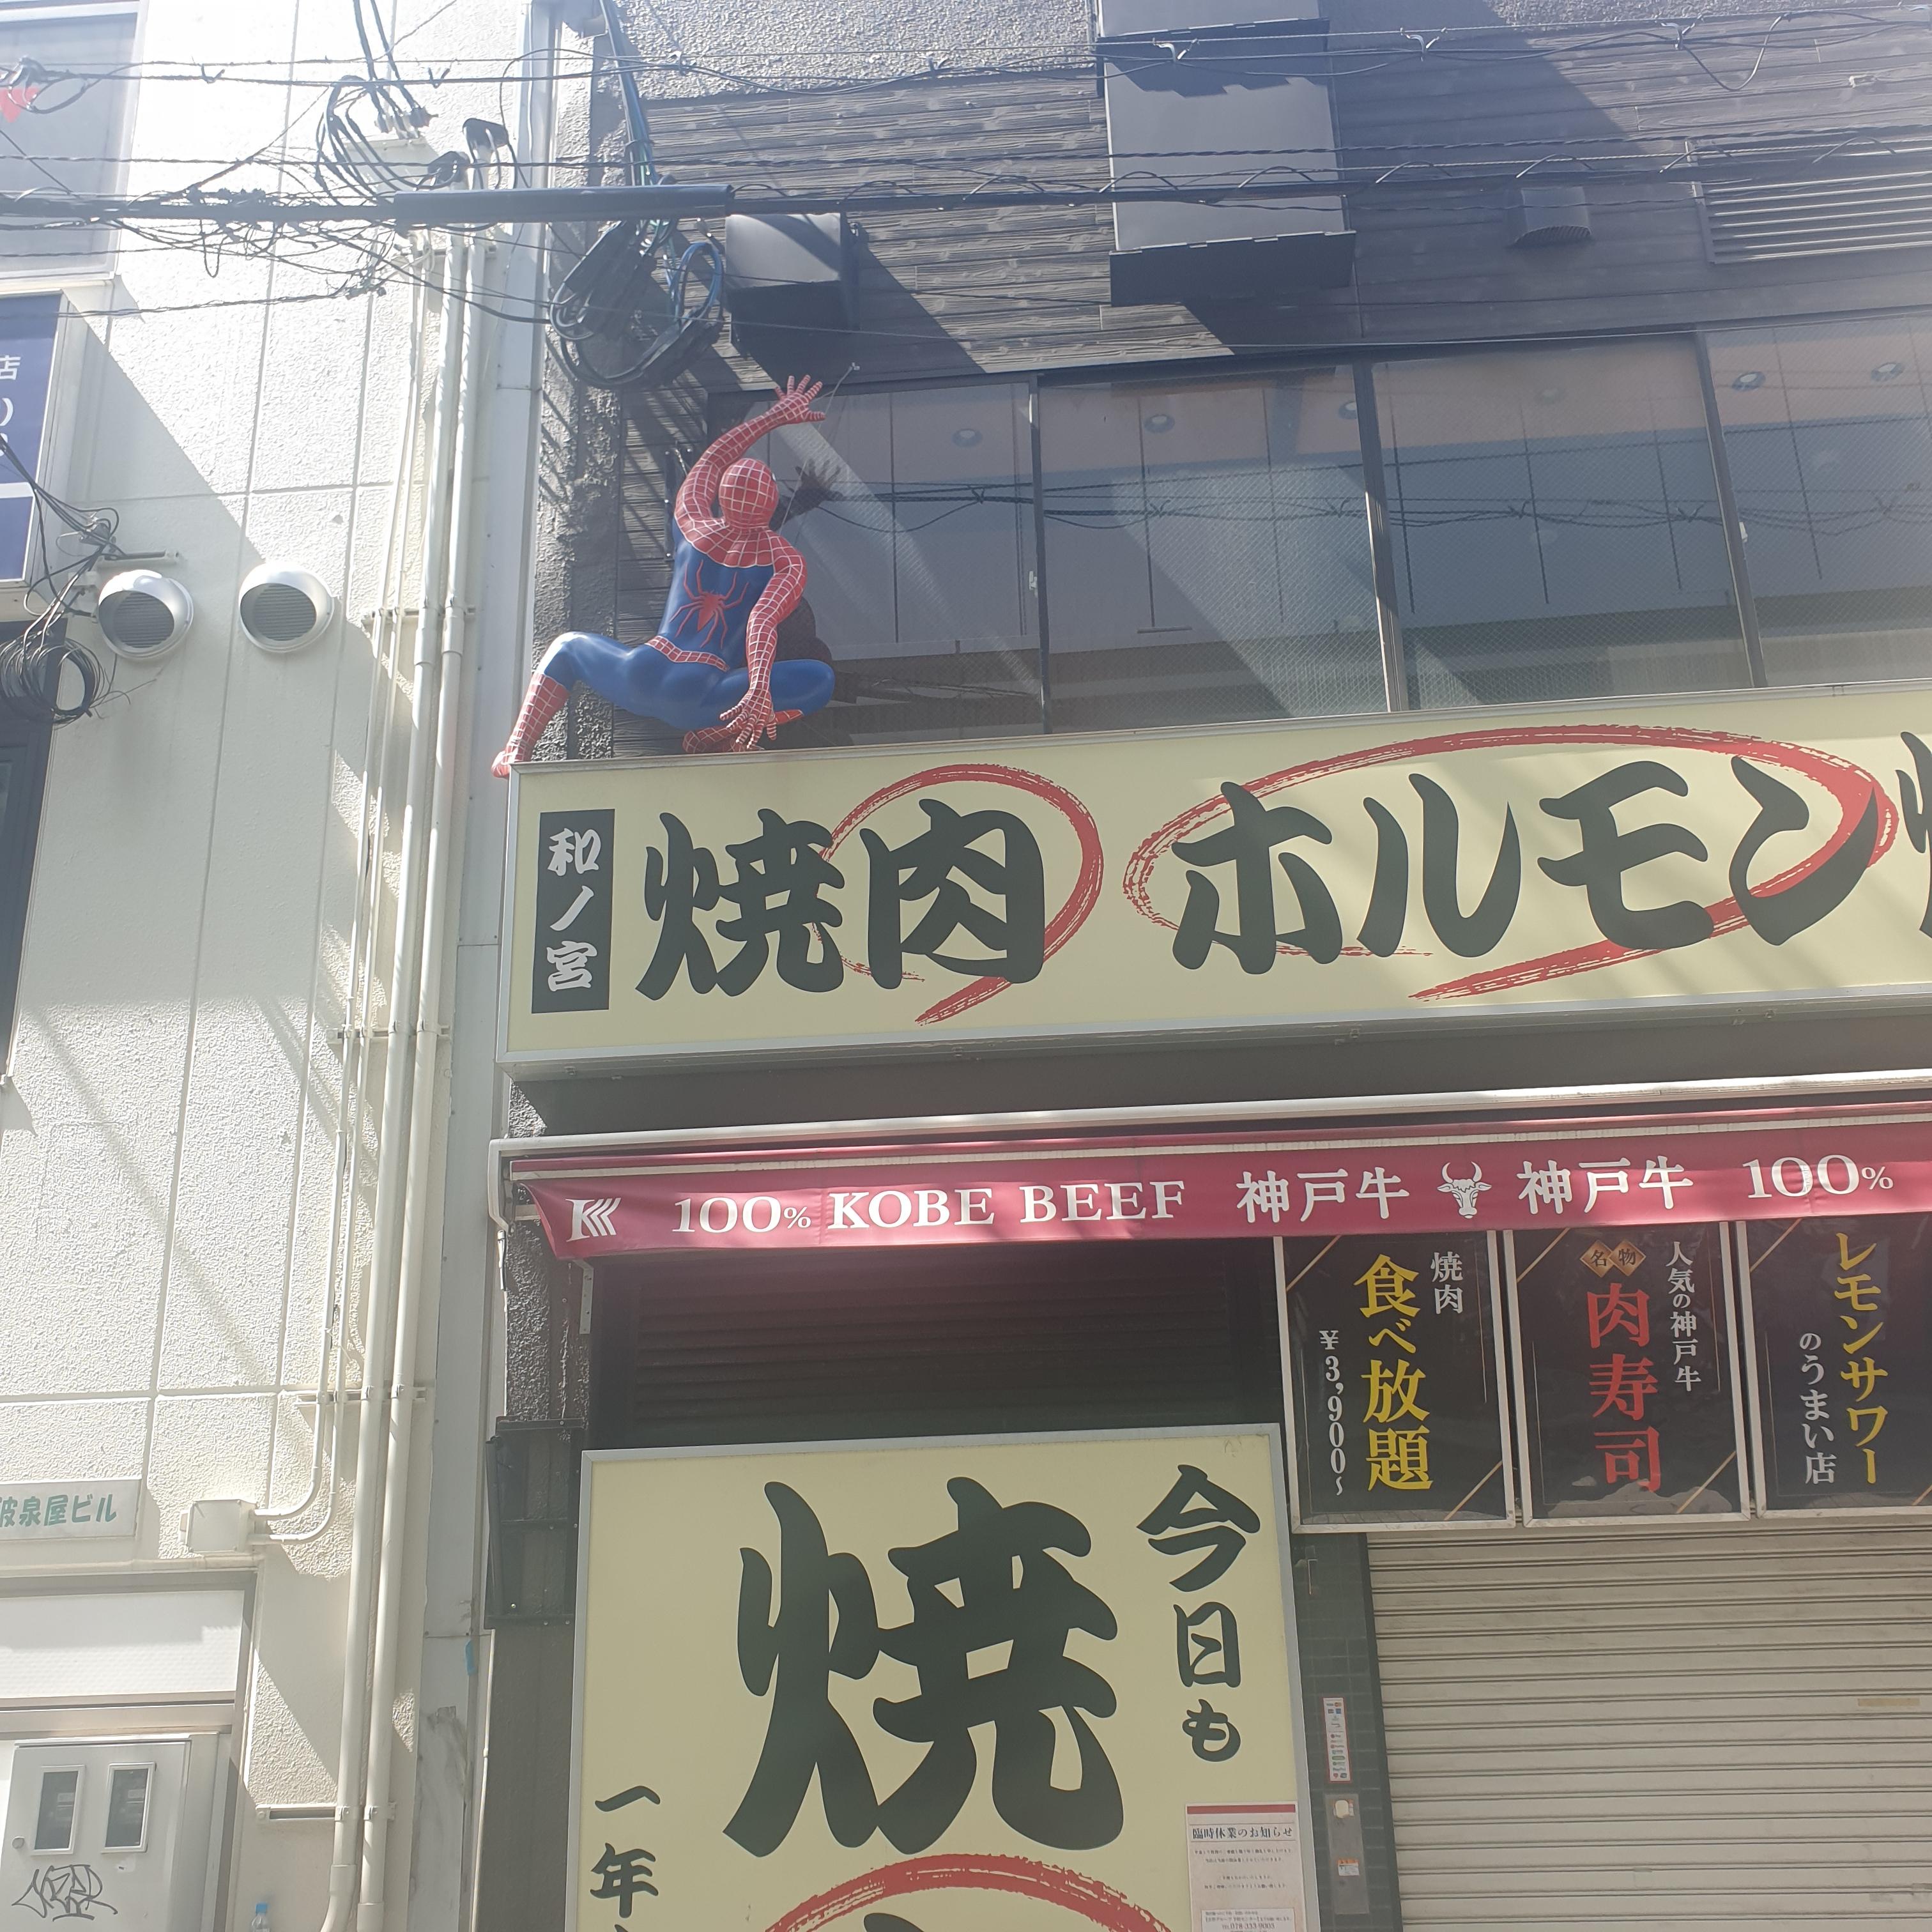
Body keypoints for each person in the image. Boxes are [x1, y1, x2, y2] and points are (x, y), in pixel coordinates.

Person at [492, 377, 834, 772]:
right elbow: (761, 621)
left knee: (567, 646)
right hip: (702, 692)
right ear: (772, 502)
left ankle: (517, 748)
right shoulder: (784, 559)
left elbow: (713, 460)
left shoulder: (693, 524)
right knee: (820, 679)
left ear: (723, 496)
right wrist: (758, 689)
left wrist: (773, 417)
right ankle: (713, 736)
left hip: (644, 669)